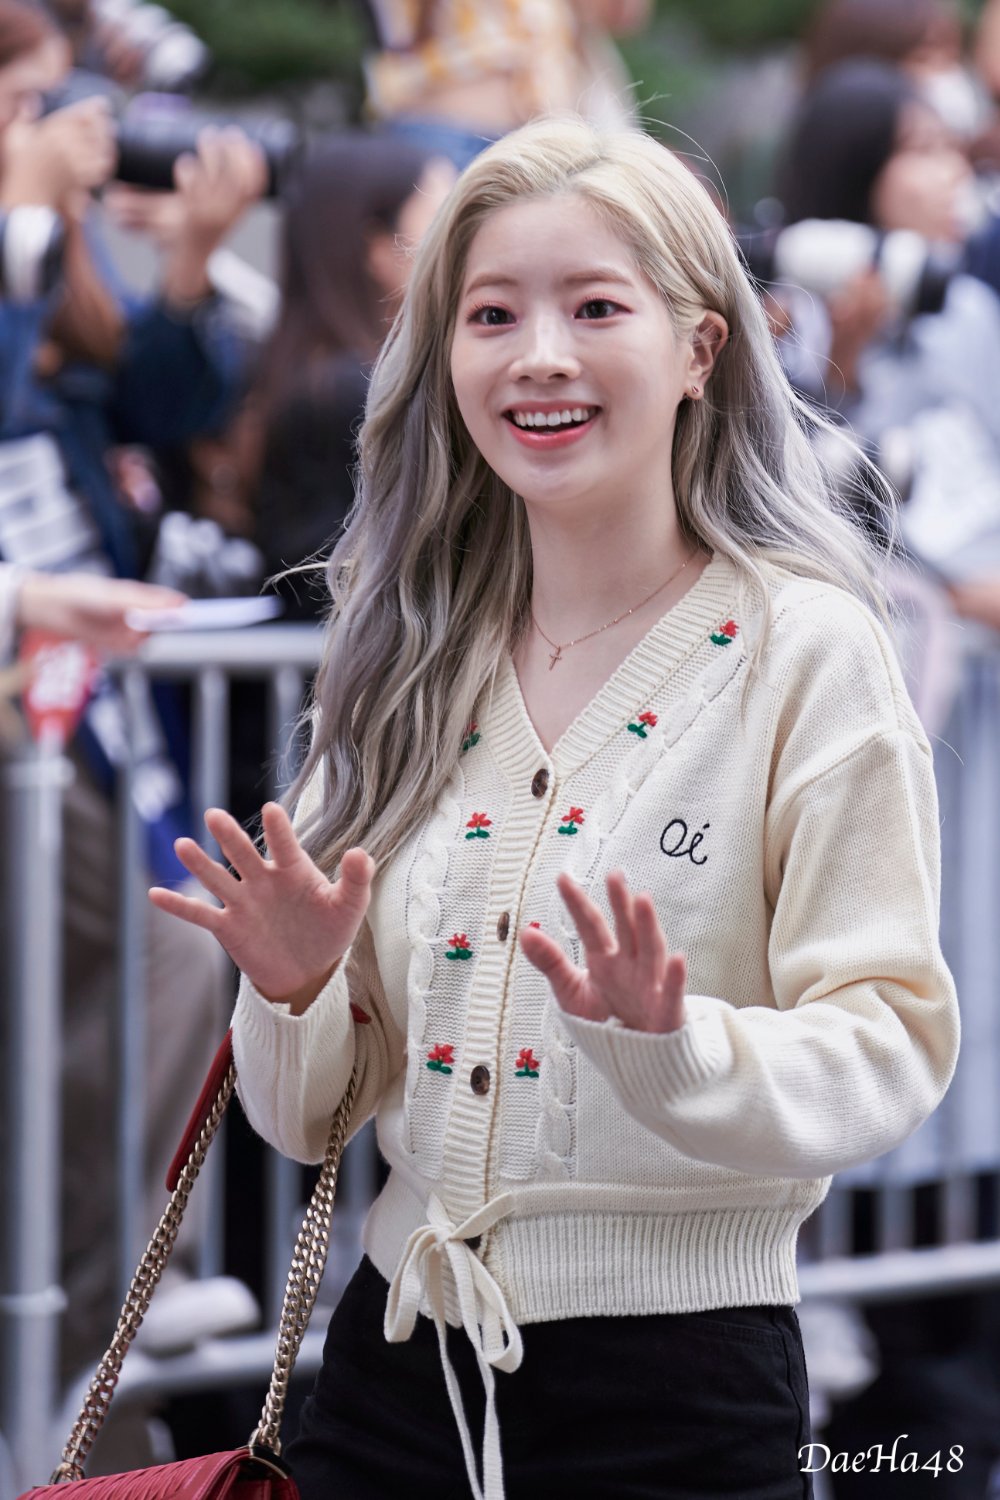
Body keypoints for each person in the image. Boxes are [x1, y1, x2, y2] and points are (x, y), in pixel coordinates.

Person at [151, 115, 960, 1499]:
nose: (538, 355)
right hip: (390, 1379)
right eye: (491, 315)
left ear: (700, 349)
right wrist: (293, 995)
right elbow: (306, 1120)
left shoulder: (808, 650)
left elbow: (891, 1039)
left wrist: (676, 1049)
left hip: (683, 1403)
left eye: (595, 307)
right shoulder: (403, 655)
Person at [249, 133, 455, 619]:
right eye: (443, 223)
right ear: (379, 248)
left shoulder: (310, 374)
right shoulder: (352, 393)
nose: (464, 245)